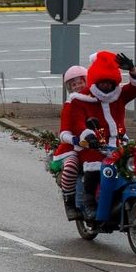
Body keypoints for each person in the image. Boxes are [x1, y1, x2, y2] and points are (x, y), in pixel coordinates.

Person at [64, 51, 136, 221]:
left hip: (118, 144)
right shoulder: (81, 100)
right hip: (92, 145)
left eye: (110, 82)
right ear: (96, 81)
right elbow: (77, 123)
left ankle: (132, 198)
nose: (107, 86)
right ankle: (89, 204)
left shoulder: (119, 95)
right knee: (93, 167)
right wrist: (88, 135)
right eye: (103, 82)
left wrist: (133, 70)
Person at [53, 64, 88, 220]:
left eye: (81, 82)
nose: (78, 86)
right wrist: (74, 139)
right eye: (74, 84)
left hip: (95, 145)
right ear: (69, 87)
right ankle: (69, 202)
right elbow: (63, 133)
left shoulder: (96, 100)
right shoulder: (69, 105)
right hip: (73, 146)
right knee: (71, 166)